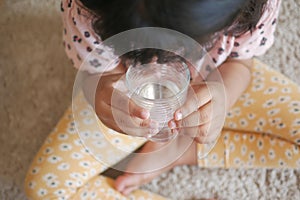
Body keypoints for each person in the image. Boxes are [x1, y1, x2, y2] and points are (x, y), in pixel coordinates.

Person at [24, 0, 300, 199]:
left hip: (216, 77)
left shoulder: (254, 7)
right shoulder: (85, 10)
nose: (161, 59)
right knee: (46, 187)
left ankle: (181, 150)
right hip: (131, 104)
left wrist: (223, 95)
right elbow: (94, 73)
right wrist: (101, 92)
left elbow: (241, 63)